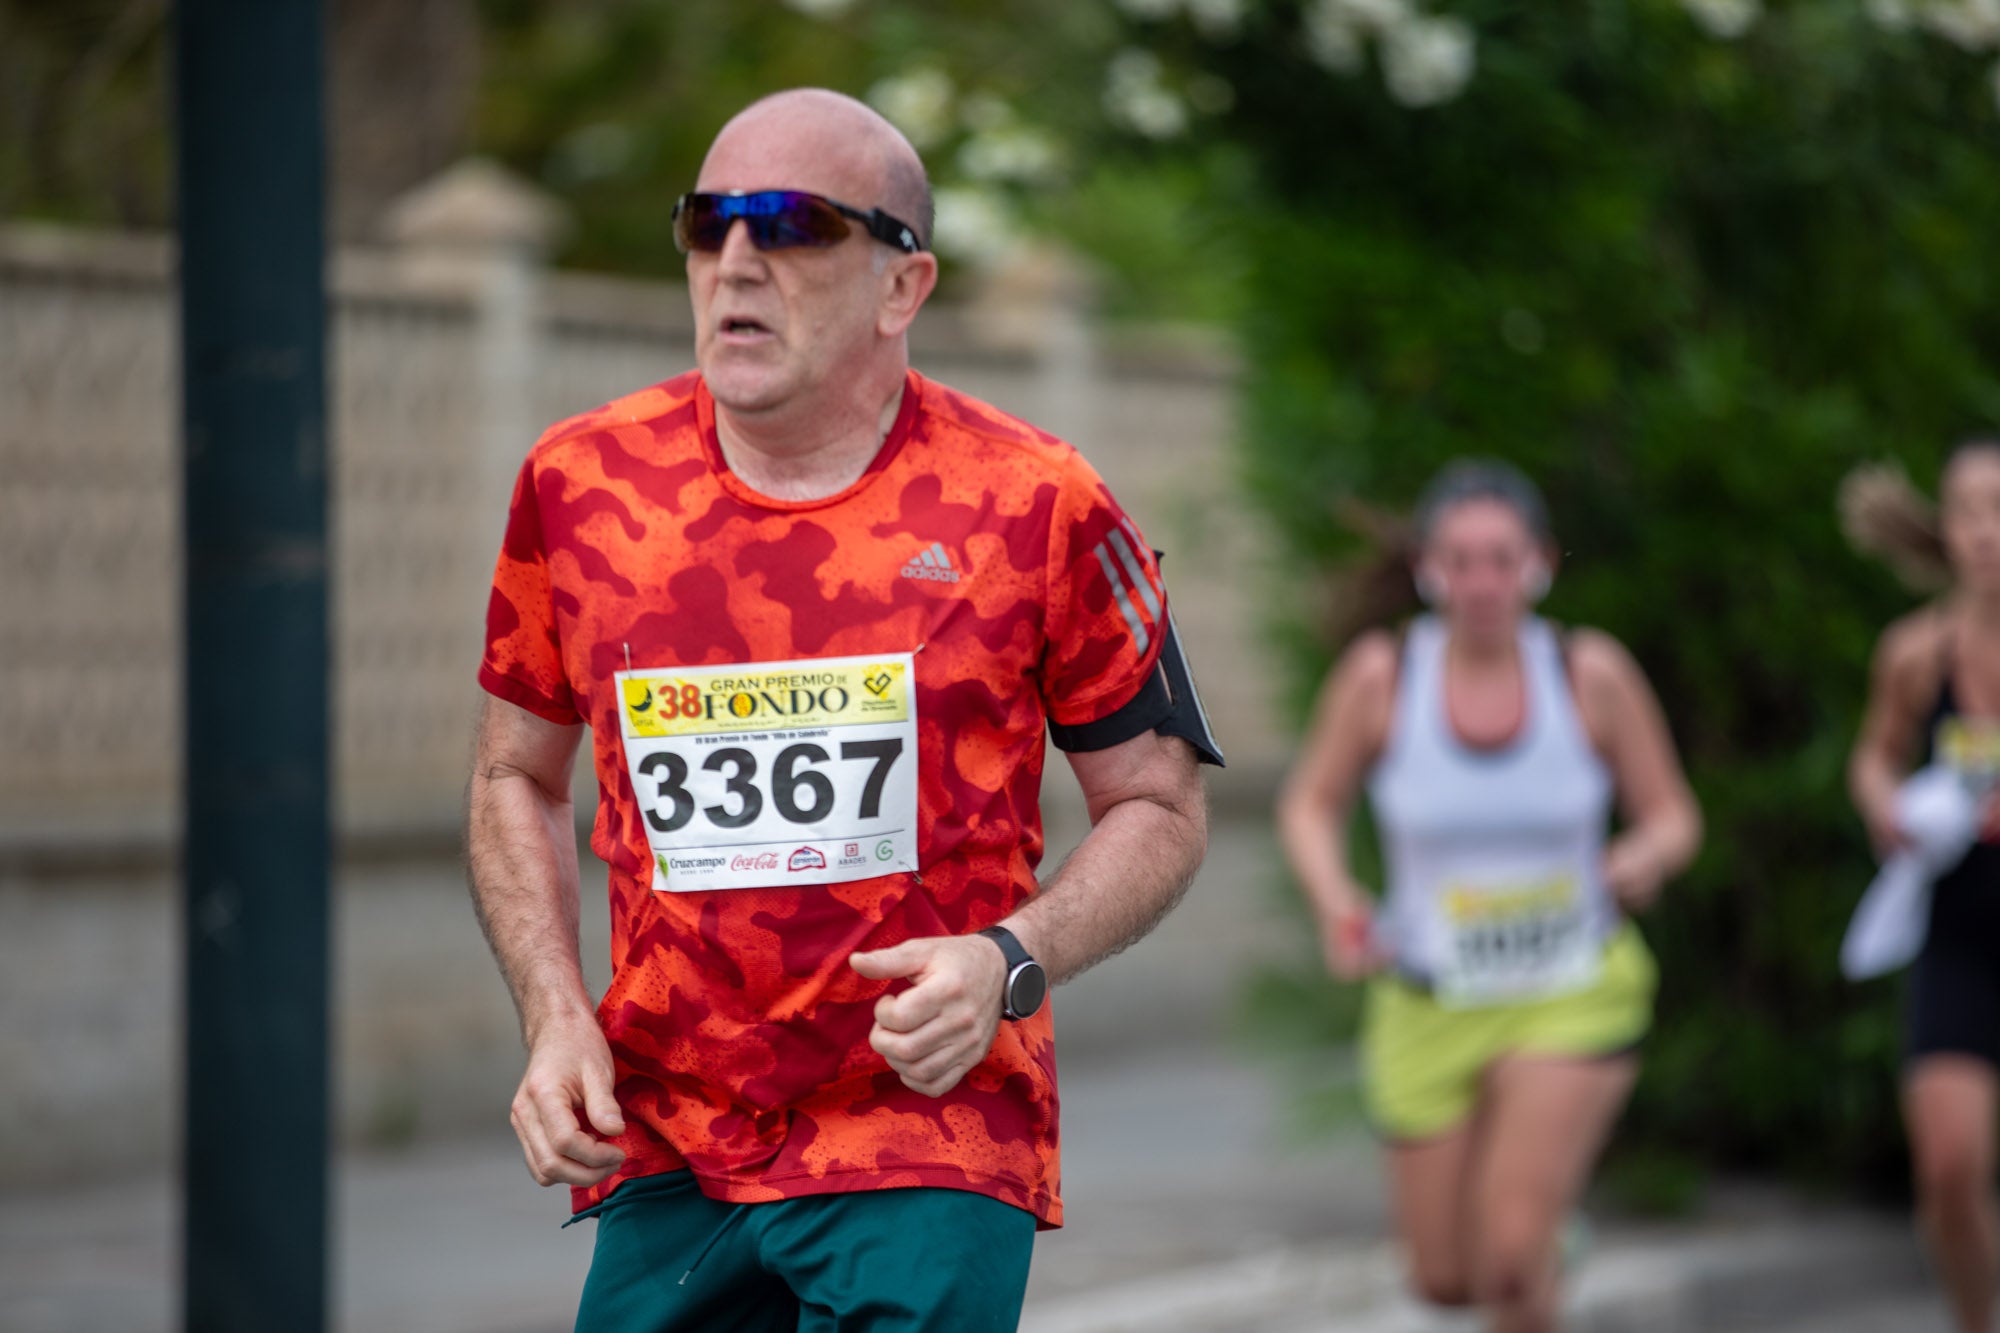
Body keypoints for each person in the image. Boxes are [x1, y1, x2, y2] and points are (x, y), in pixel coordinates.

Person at [463, 88, 1222, 1332]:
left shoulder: (1037, 503)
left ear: (900, 287)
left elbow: (1158, 802)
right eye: (708, 226)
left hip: (927, 1127)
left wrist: (1008, 960)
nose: (738, 261)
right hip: (670, 1138)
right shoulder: (580, 484)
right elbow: (515, 774)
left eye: (793, 224)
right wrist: (553, 1017)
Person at [1277, 461, 1701, 1333]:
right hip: (1430, 996)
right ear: (1428, 568)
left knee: (1508, 1260)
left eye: (1501, 560)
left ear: (1539, 563)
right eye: (1460, 560)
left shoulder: (1590, 673)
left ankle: (1534, 1243)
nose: (1481, 582)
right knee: (1446, 1279)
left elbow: (1674, 816)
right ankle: (1553, 1244)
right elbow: (1309, 805)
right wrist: (1336, 899)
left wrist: (1643, 855)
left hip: (1572, 987)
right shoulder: (1383, 676)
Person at [1845, 440, 2000, 1333]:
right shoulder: (1914, 654)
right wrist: (1883, 803)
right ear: (1943, 530)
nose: (1986, 532)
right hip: (1958, 934)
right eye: (1967, 510)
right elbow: (1874, 753)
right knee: (1947, 1167)